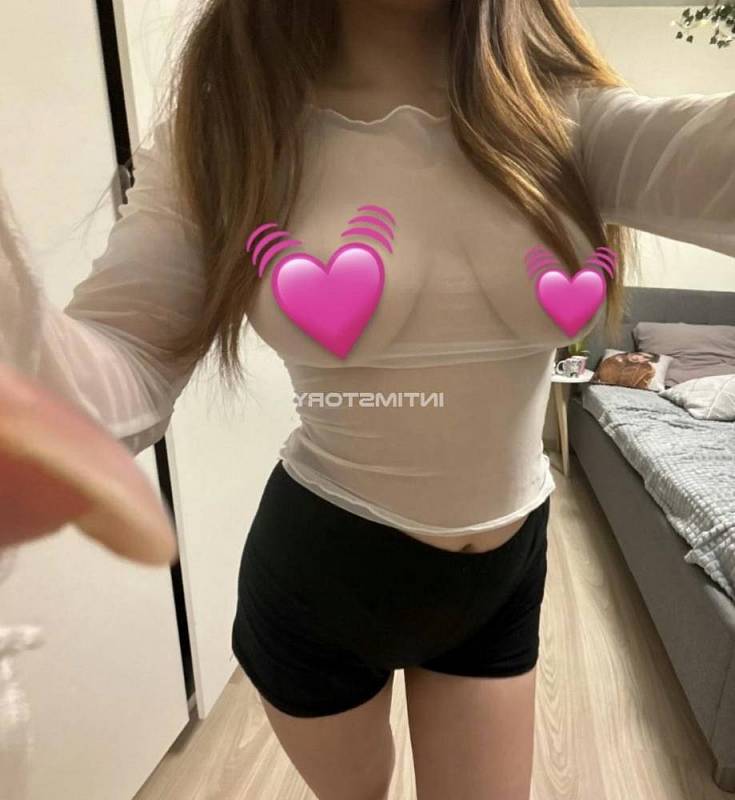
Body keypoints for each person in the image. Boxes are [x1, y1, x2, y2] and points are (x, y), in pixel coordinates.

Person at [1, 1, 733, 798]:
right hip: (324, 578)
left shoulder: (567, 118)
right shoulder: (229, 126)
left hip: (501, 578)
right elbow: (130, 357)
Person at [595, 351, 659, 390]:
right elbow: (605, 383)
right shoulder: (613, 361)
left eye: (646, 358)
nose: (637, 357)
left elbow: (642, 388)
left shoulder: (648, 369)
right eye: (638, 354)